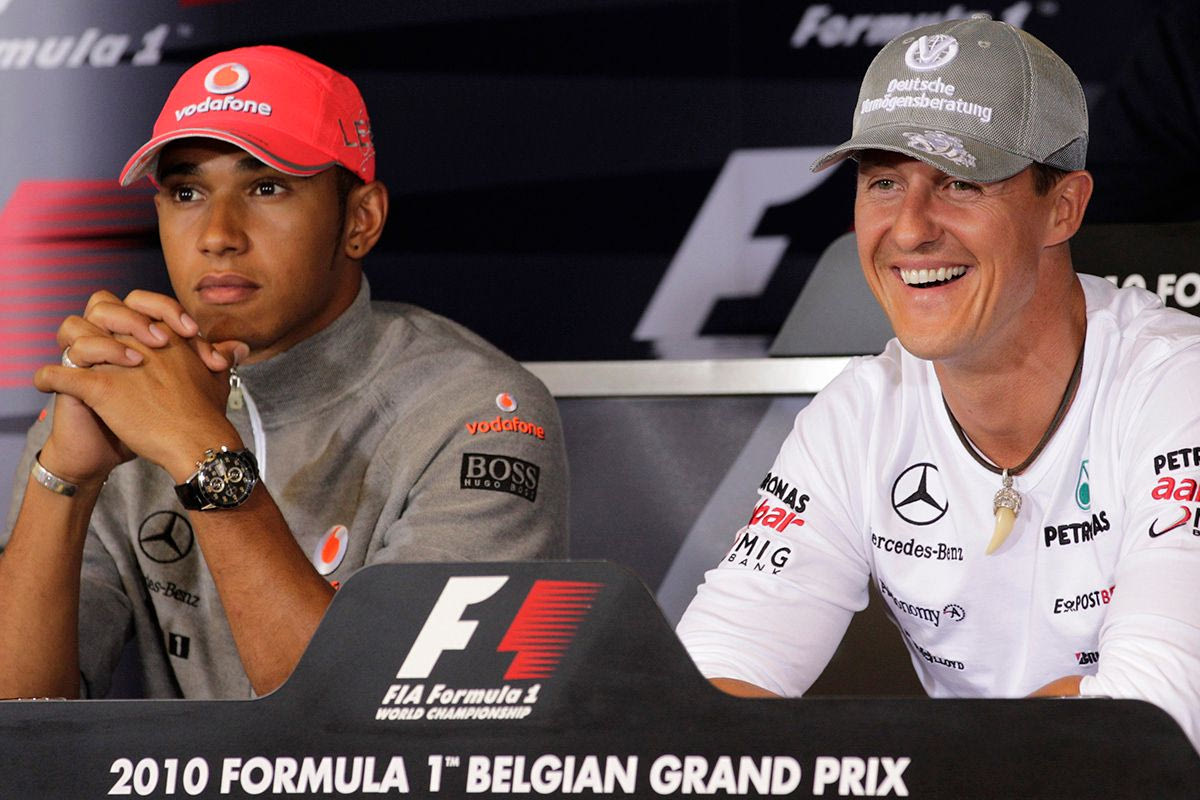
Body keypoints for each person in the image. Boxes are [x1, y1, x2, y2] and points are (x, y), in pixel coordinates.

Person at [677, 15, 1200, 749]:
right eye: (884, 181)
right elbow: (704, 692)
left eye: (960, 181)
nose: (910, 229)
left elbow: (1147, 726)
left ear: (1064, 207)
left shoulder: (1179, 388)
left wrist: (909, 766)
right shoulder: (857, 416)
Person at [0, 46, 567, 700]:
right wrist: (63, 478)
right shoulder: (116, 397)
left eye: (267, 187)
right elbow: (18, 717)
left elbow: (383, 717)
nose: (218, 234)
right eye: (186, 192)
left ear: (360, 220)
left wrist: (199, 451)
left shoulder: (475, 411)